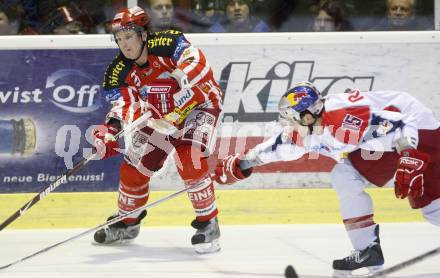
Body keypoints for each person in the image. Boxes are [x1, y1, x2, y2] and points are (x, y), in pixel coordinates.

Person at [214, 81, 440, 276]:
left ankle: (368, 249)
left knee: (431, 207)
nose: (286, 124)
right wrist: (240, 165)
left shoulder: (344, 121)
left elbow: (402, 124)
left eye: (290, 118)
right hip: (383, 140)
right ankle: (367, 251)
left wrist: (409, 155)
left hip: (419, 128)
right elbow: (274, 147)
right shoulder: (308, 127)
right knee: (345, 175)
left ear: (308, 116)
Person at [92, 6, 223, 254]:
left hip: (199, 106)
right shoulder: (118, 71)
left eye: (129, 36)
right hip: (161, 118)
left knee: (190, 160)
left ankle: (208, 224)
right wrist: (111, 131)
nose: (124, 44)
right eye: (119, 39)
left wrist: (177, 77)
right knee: (133, 168)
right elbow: (125, 104)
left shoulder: (167, 42)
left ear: (143, 34)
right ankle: (127, 223)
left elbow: (198, 62)